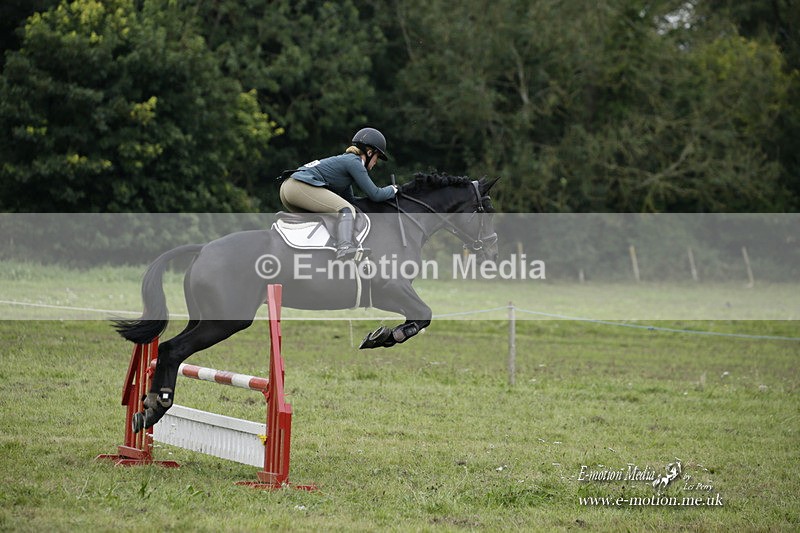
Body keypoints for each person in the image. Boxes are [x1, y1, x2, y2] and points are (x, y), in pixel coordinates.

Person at [279, 127, 397, 259]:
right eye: (377, 157)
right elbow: (376, 194)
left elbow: (351, 201)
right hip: (298, 187)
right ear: (369, 152)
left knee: (342, 211)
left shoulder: (346, 164)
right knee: (346, 210)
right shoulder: (354, 162)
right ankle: (344, 247)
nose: (376, 162)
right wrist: (394, 189)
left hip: (288, 189)